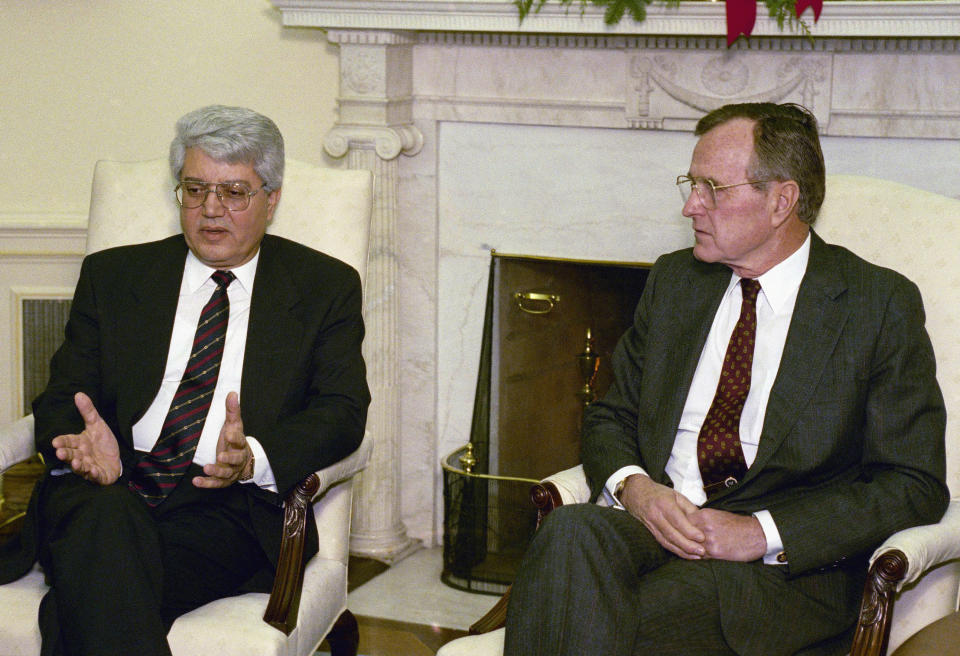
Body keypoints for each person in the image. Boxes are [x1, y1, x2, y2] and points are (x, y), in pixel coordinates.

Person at [503, 102, 948, 656]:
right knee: (569, 535)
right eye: (691, 184)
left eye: (713, 187)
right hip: (655, 525)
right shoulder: (677, 281)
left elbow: (914, 484)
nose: (691, 205)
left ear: (782, 200)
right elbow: (611, 415)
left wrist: (761, 532)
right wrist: (636, 489)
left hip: (773, 575)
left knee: (579, 611)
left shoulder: (875, 304)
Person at [1, 105, 370, 655]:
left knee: (90, 587)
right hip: (107, 487)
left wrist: (253, 458)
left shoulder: (324, 288)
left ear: (272, 199)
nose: (210, 210)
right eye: (195, 189)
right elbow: (61, 395)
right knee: (105, 522)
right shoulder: (114, 276)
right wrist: (80, 445)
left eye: (234, 192)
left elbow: (342, 410)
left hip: (223, 513)